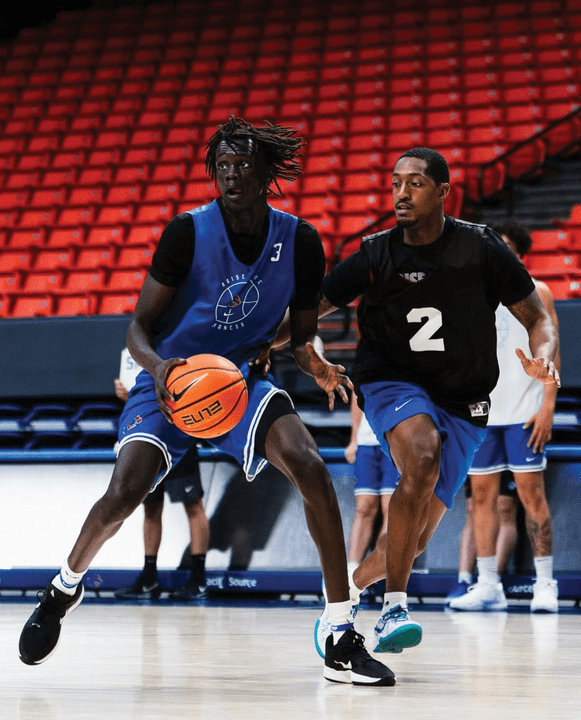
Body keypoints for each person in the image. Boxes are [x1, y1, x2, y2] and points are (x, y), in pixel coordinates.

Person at [19, 117, 394, 687]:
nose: (231, 174)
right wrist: (160, 370)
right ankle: (63, 589)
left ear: (266, 173)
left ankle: (339, 629)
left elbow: (298, 337)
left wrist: (315, 365)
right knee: (124, 493)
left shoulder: (300, 241)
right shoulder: (186, 233)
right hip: (171, 379)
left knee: (311, 466)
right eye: (222, 166)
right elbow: (138, 329)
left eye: (242, 164)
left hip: (236, 382)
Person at [310, 147, 559, 655]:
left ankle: (347, 594)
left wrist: (544, 357)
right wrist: (266, 345)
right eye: (396, 183)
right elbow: (308, 309)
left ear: (444, 191)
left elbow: (538, 318)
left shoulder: (481, 248)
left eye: (416, 183)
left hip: (463, 397)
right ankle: (395, 608)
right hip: (392, 381)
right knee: (422, 455)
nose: (401, 193)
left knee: (414, 537)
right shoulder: (376, 253)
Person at [449, 219, 561, 613]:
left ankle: (545, 583)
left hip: (525, 412)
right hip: (482, 414)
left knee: (532, 497)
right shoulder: (470, 293)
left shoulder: (539, 292)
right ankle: (487, 585)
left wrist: (548, 406)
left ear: (520, 253)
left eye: (507, 247)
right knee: (481, 499)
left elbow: (554, 351)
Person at [113, 355, 210, 601]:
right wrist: (128, 395)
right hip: (148, 435)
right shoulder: (140, 352)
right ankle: (149, 578)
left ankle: (198, 579)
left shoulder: (181, 348)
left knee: (193, 504)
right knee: (151, 507)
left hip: (178, 433)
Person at [344, 393, 398, 585]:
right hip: (366, 442)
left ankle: (379, 569)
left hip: (396, 442)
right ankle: (351, 572)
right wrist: (354, 438)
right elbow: (357, 396)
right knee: (363, 507)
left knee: (391, 509)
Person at [446, 474, 518, 601]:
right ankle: (464, 581)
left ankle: (492, 583)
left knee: (504, 506)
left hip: (507, 463)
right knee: (472, 508)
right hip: (479, 461)